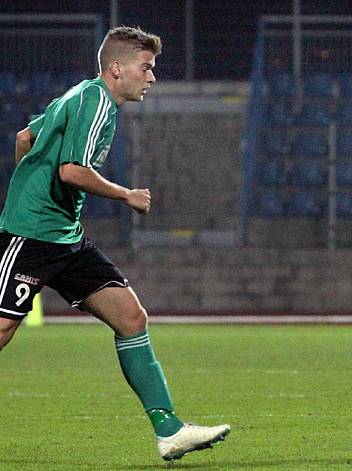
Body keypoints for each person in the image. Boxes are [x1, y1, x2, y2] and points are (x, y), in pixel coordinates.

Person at [0, 26, 230, 461]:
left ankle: (170, 430)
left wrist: (33, 190)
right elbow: (71, 171)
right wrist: (126, 194)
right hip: (30, 238)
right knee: (2, 329)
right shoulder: (95, 103)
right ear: (117, 68)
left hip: (65, 238)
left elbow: (24, 139)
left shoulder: (80, 95)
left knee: (130, 316)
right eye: (146, 67)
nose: (151, 77)